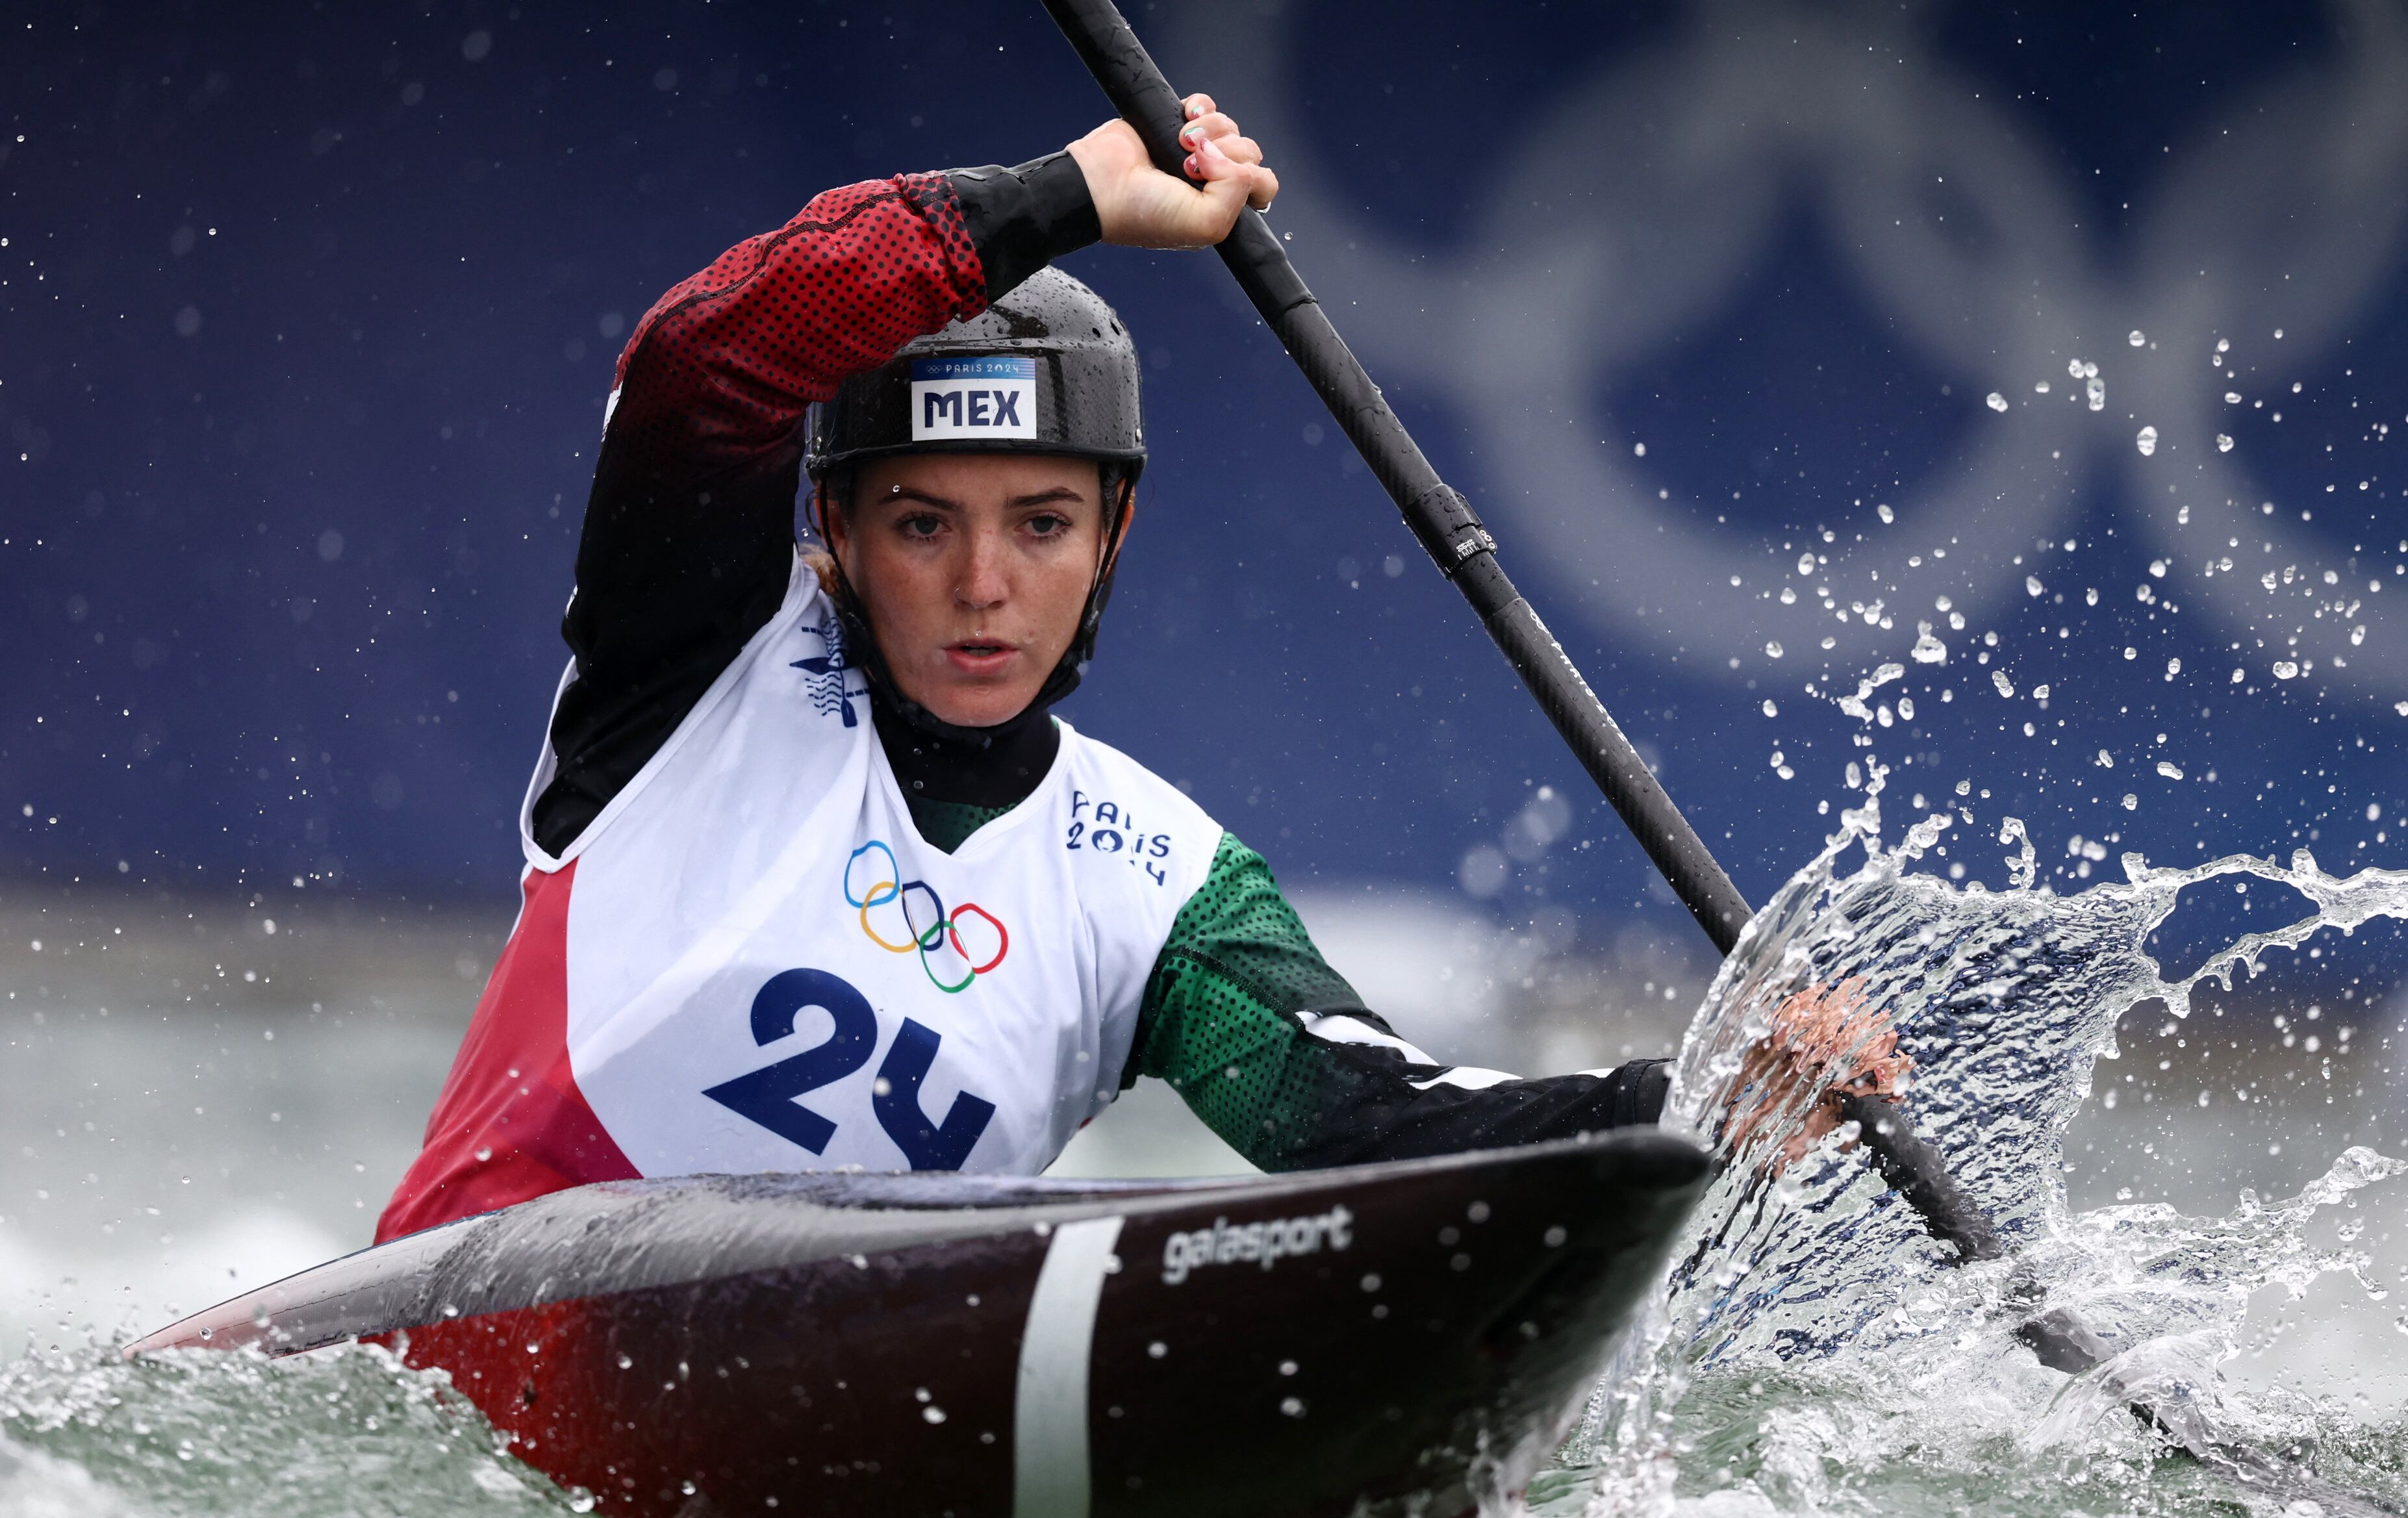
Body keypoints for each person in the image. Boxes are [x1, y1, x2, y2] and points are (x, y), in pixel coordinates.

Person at [377, 95, 1888, 1245]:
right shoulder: (698, 668)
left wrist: (1694, 1099)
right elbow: (703, 363)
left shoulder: (1157, 882)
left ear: (1113, 533)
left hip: (820, 1391)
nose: (985, 586)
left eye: (1040, 524)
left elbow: (1369, 1123)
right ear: (830, 523)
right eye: (922, 523)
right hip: (464, 1340)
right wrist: (1064, 198)